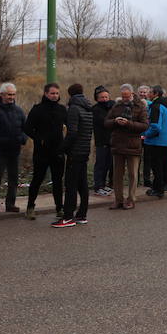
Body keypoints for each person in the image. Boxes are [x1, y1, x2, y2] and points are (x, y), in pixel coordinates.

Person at [52, 84, 94, 227]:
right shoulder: (88, 108)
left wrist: (62, 148)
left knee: (70, 185)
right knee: (82, 184)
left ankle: (68, 217)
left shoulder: (73, 109)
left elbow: (72, 133)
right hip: (84, 150)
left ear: (70, 94)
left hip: (74, 152)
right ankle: (82, 215)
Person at [23, 83, 67, 220]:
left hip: (58, 151)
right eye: (52, 93)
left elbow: (69, 125)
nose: (55, 96)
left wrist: (65, 142)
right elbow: (27, 128)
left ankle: (59, 208)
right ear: (46, 93)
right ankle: (30, 207)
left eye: (57, 93)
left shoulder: (62, 109)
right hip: (42, 152)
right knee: (37, 179)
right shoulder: (37, 109)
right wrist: (39, 139)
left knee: (58, 181)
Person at [105, 84, 149, 209]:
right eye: (123, 96)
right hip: (118, 144)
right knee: (117, 175)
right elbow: (106, 122)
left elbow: (145, 125)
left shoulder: (140, 107)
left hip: (133, 145)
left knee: (133, 174)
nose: (125, 98)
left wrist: (128, 123)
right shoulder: (116, 106)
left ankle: (131, 199)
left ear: (132, 94)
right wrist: (115, 121)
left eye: (127, 96)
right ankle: (118, 199)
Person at [0, 82, 26, 214]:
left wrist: (22, 139)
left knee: (13, 179)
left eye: (13, 94)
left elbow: (25, 127)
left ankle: (10, 204)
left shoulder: (18, 110)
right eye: (9, 95)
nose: (11, 97)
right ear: (1, 95)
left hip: (14, 150)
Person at [143, 85, 167, 198]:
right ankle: (157, 187)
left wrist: (146, 135)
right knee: (160, 166)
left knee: (156, 167)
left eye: (150, 92)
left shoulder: (156, 106)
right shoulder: (166, 105)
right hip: (165, 141)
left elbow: (156, 126)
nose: (147, 94)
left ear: (155, 94)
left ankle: (158, 189)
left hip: (155, 141)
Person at [91, 86, 114, 196]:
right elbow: (104, 121)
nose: (104, 99)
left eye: (106, 97)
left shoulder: (112, 106)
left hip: (112, 140)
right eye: (102, 97)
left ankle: (103, 185)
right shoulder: (95, 109)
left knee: (108, 164)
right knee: (100, 164)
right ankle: (98, 186)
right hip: (101, 141)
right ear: (97, 98)